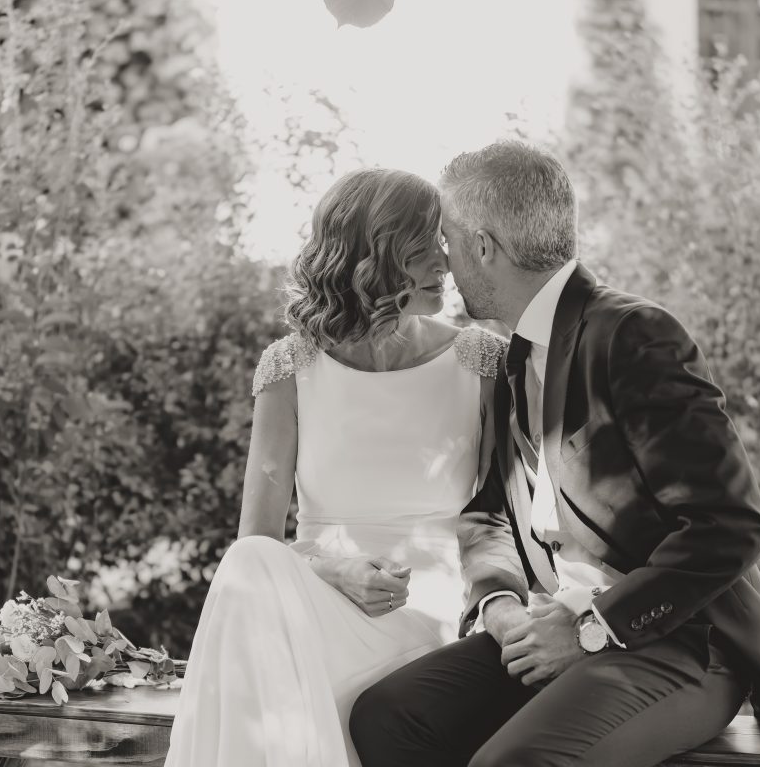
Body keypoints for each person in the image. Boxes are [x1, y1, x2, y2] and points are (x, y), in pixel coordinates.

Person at [350, 141, 760, 767]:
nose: (441, 263)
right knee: (387, 716)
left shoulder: (633, 335)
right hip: (553, 625)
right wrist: (499, 605)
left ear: (484, 246)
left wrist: (592, 629)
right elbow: (490, 512)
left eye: (446, 240)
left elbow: (730, 527)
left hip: (680, 641)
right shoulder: (511, 356)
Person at [163, 167, 526, 767]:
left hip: (432, 613)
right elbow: (256, 538)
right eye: (422, 250)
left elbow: (499, 520)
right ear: (372, 261)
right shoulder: (290, 367)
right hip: (319, 599)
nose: (444, 262)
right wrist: (336, 570)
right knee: (249, 565)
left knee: (269, 652)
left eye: (443, 243)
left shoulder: (482, 361)